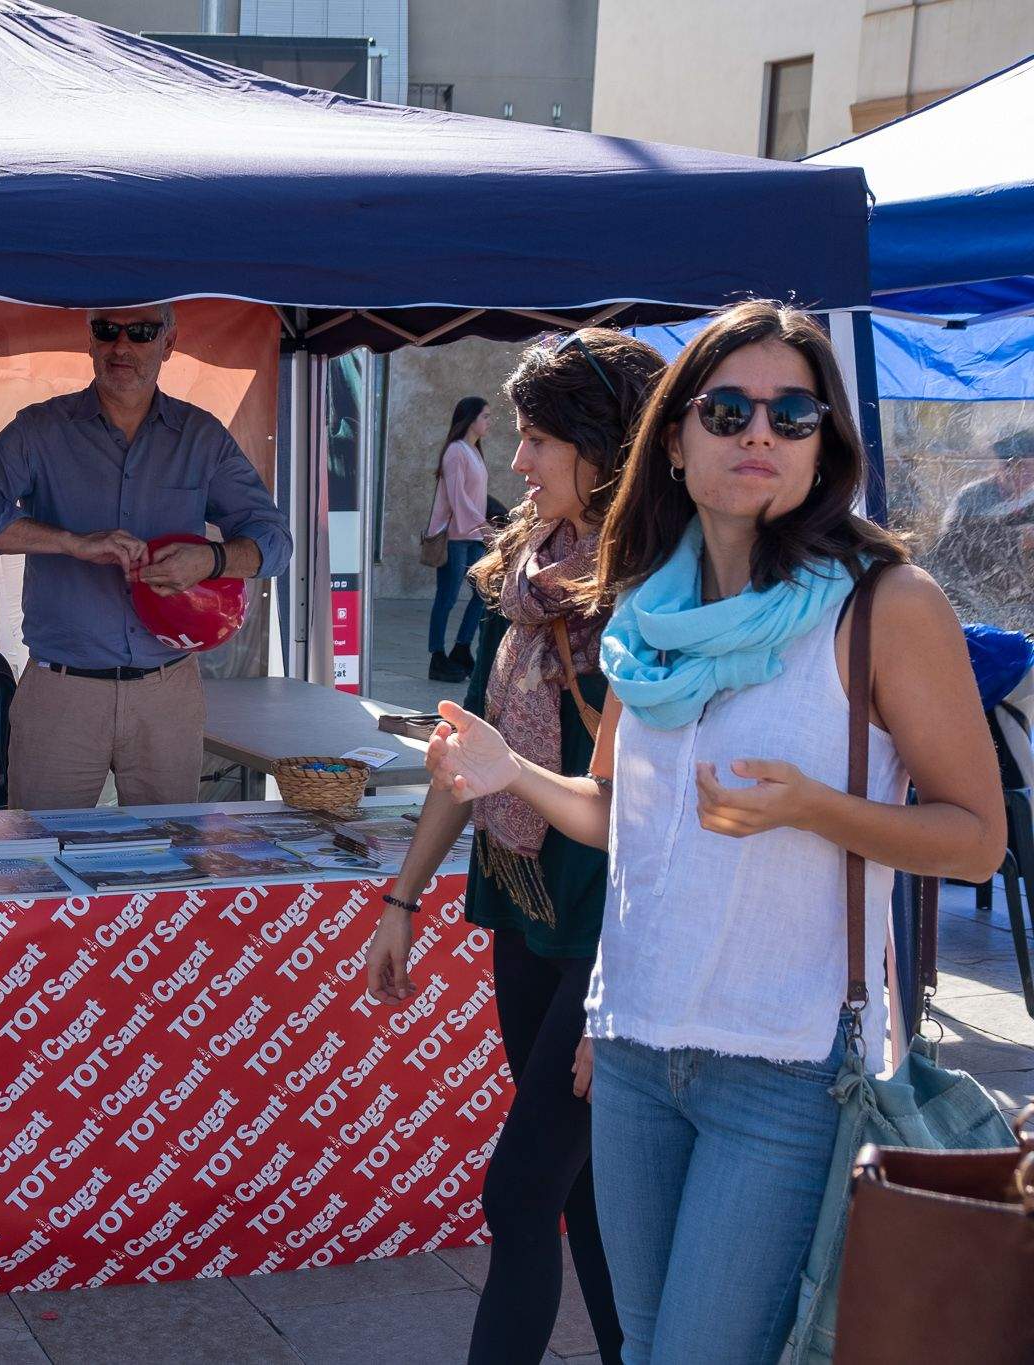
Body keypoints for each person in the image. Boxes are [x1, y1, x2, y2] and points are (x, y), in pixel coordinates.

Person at [424, 301, 1005, 1364]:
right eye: (729, 408)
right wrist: (509, 775)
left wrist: (812, 808)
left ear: (825, 442)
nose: (759, 434)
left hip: (783, 1065)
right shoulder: (647, 607)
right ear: (675, 440)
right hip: (639, 1047)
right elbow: (617, 819)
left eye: (793, 415)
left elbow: (974, 839)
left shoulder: (879, 603)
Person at [367, 330, 660, 1364]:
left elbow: (628, 812)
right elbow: (468, 753)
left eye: (538, 440)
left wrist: (613, 996)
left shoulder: (650, 601)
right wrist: (401, 901)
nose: (518, 462)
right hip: (523, 908)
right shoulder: (533, 569)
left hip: (606, 935)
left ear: (605, 447)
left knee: (520, 1186)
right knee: (574, 1189)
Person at [0, 303, 292, 809]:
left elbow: (274, 540)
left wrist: (210, 561)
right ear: (89, 340)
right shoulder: (42, 429)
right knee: (43, 862)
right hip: (62, 692)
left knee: (170, 861)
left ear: (168, 344)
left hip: (166, 690)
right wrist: (72, 542)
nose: (120, 347)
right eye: (107, 331)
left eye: (141, 332)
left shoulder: (201, 437)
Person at [929, 426, 1034, 630]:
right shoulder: (973, 497)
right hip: (978, 596)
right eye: (1022, 468)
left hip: (1024, 597)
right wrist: (1016, 539)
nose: (1027, 477)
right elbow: (949, 546)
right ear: (1005, 466)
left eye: (1032, 470)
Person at [427, 397, 494, 682]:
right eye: (486, 416)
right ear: (471, 419)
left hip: (474, 536)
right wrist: (483, 524)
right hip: (455, 537)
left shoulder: (474, 451)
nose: (489, 421)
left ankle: (462, 647)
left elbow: (476, 497)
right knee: (447, 597)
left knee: (482, 594)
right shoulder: (456, 451)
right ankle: (437, 657)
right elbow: (458, 498)